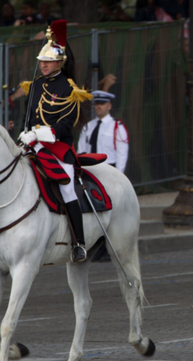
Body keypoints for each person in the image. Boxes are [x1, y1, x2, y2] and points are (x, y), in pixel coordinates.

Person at [18, 20, 92, 263]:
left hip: (58, 148)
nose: (43, 65)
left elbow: (64, 126)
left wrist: (37, 134)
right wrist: (24, 134)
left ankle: (79, 243)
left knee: (67, 188)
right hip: (32, 145)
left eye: (48, 61)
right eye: (41, 61)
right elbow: (28, 117)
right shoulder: (36, 85)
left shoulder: (70, 88)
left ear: (60, 62)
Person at [78, 91, 129, 172]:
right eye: (96, 103)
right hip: (90, 168)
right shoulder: (88, 126)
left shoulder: (117, 127)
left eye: (102, 103)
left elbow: (122, 154)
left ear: (109, 106)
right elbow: (81, 150)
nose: (99, 106)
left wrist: (119, 174)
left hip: (108, 168)